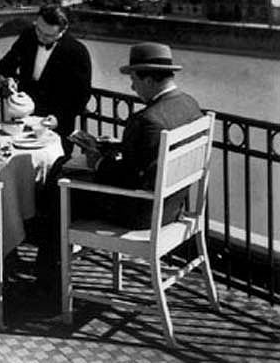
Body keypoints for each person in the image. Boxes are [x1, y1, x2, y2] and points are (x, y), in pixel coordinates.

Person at [35, 41, 203, 292]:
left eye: (134, 79)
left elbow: (129, 180)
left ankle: (47, 280)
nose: (132, 86)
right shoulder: (190, 105)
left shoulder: (147, 120)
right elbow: (151, 158)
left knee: (59, 190)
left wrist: (98, 161)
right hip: (172, 208)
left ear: (148, 79)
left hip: (140, 215)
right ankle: (49, 267)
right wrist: (119, 147)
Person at [0, 4, 91, 156]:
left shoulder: (77, 52)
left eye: (47, 35)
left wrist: (58, 119)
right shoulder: (28, 35)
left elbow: (81, 96)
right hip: (23, 121)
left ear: (63, 31)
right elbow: (6, 65)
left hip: (55, 127)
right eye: (38, 30)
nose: (40, 37)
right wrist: (9, 79)